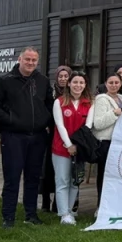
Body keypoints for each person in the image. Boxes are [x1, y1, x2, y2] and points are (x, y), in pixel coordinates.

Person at [0, 47, 54, 229]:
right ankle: (8, 217)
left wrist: (44, 120)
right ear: (20, 59)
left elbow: (49, 104)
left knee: (33, 177)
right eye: (27, 59)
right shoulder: (5, 81)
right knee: (12, 177)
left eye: (34, 60)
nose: (31, 63)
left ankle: (31, 214)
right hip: (13, 137)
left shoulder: (42, 81)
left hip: (38, 136)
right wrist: (10, 120)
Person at [52, 72, 93, 226]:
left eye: (81, 83)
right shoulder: (60, 102)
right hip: (61, 148)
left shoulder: (89, 103)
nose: (78, 85)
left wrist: (77, 145)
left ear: (85, 85)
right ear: (69, 84)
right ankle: (64, 214)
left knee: (75, 181)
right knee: (62, 180)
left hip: (79, 149)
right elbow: (60, 125)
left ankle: (70, 210)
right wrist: (68, 144)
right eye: (75, 82)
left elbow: (87, 126)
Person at [92, 73, 122, 210]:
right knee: (104, 176)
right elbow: (98, 123)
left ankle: (114, 205)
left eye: (116, 82)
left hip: (118, 142)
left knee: (116, 176)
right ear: (106, 84)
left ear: (120, 84)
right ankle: (100, 206)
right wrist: (114, 113)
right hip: (105, 142)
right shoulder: (101, 99)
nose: (114, 85)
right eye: (111, 82)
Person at [41, 65, 72, 212]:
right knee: (47, 168)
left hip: (66, 133)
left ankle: (57, 205)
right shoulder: (50, 91)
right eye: (61, 76)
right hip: (50, 131)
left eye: (66, 76)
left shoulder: (73, 93)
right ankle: (46, 201)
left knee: (62, 171)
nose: (63, 79)